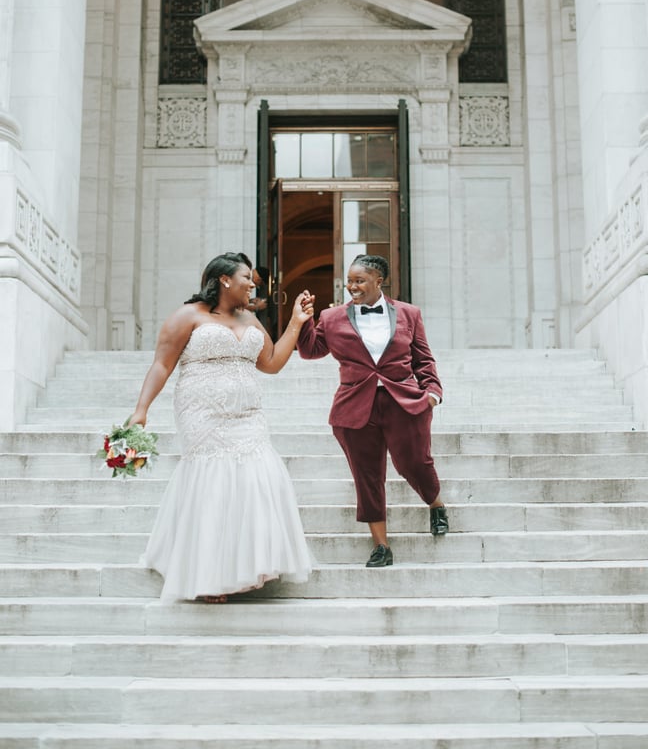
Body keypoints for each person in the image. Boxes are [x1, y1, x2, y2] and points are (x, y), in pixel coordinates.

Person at [128, 252, 314, 603]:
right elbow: (161, 366)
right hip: (203, 414)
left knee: (255, 478)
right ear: (225, 279)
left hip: (248, 415)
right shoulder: (188, 316)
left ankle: (249, 566)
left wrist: (296, 322)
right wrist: (141, 411)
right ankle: (208, 576)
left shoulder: (251, 319)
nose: (253, 285)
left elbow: (271, 364)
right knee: (214, 482)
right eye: (247, 278)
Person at [297, 254, 448, 569]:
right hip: (354, 406)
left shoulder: (409, 313)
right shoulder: (332, 317)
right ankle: (381, 545)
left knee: (415, 463)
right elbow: (311, 351)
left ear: (379, 281)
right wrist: (303, 320)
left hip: (403, 401)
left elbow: (423, 358)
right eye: (349, 280)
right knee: (366, 475)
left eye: (359, 281)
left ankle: (435, 503)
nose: (351, 286)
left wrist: (432, 392)